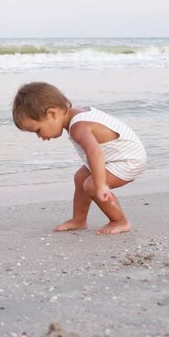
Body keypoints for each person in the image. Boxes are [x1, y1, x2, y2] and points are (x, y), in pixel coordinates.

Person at [12, 82, 147, 235]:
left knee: (91, 185)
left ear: (52, 113)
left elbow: (94, 152)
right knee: (80, 178)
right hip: (117, 155)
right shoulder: (77, 114)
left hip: (129, 160)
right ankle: (79, 220)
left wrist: (101, 185)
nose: (40, 137)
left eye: (38, 130)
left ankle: (119, 221)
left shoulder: (78, 127)